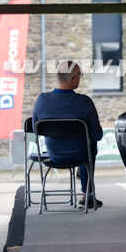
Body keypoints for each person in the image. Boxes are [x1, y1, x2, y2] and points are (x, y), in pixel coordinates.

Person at [32, 61, 103, 209]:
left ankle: (84, 182)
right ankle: (87, 194)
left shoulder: (42, 100)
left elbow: (35, 129)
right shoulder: (84, 102)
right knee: (91, 144)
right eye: (80, 75)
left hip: (54, 156)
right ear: (74, 79)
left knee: (88, 145)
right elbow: (97, 135)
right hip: (80, 156)